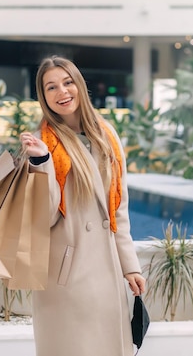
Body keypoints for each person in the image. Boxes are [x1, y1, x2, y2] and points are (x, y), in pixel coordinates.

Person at [19, 56, 146, 356]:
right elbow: (45, 216)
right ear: (43, 96)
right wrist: (40, 162)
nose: (62, 92)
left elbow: (118, 210)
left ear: (79, 85)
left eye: (67, 82)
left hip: (107, 272)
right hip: (67, 277)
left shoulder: (106, 135)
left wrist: (130, 266)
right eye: (51, 87)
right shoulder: (41, 142)